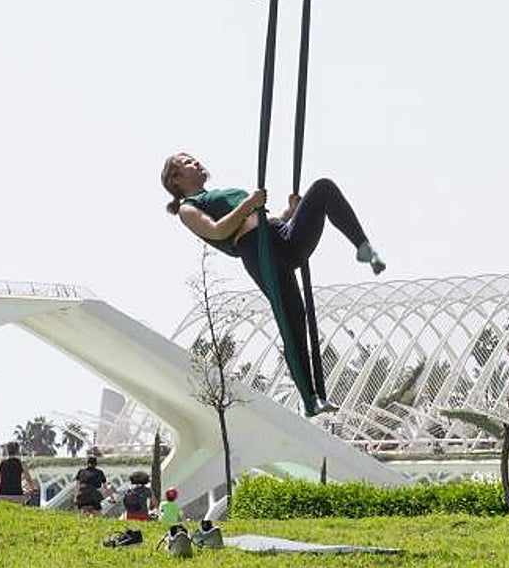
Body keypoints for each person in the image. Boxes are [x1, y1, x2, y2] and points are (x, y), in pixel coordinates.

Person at [161, 152, 385, 416]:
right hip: (258, 252)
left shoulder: (219, 193)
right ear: (175, 178)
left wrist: (288, 213)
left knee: (323, 188)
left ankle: (363, 246)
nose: (197, 163)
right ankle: (310, 399)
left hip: (281, 235)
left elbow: (259, 218)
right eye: (188, 162)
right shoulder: (189, 208)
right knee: (293, 320)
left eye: (194, 159)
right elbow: (218, 230)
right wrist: (249, 203)